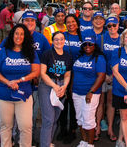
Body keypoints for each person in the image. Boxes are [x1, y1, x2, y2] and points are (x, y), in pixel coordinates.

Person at [0, 24, 40, 147]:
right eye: (16, 33)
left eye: (22, 34)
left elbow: (36, 72)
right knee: (6, 126)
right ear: (12, 35)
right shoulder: (4, 52)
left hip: (23, 95)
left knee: (26, 127)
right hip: (4, 95)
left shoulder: (30, 52)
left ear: (26, 37)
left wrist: (21, 80)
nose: (19, 36)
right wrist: (8, 82)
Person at [38, 31, 72, 147]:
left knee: (55, 118)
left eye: (61, 39)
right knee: (48, 119)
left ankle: (48, 141)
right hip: (48, 86)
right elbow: (42, 73)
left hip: (62, 86)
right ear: (52, 41)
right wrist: (55, 86)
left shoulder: (68, 55)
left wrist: (64, 87)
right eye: (56, 39)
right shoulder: (47, 54)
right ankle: (45, 144)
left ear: (64, 41)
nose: (59, 41)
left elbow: (68, 74)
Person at [72, 36, 106, 147]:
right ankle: (84, 141)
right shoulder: (79, 56)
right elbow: (74, 74)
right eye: (85, 44)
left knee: (88, 120)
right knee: (80, 119)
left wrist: (91, 92)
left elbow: (101, 77)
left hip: (91, 93)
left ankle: (90, 144)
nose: (87, 46)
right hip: (76, 92)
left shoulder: (99, 58)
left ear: (95, 45)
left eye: (90, 44)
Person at [56, 14, 82, 144]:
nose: (71, 24)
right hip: (62, 73)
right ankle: (62, 128)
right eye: (68, 22)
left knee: (73, 103)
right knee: (62, 103)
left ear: (77, 23)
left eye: (73, 22)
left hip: (77, 74)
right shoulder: (62, 35)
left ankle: (72, 129)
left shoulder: (82, 36)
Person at [100, 17, 121, 141]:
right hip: (102, 75)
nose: (112, 28)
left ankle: (110, 128)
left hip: (115, 76)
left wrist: (113, 75)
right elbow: (97, 56)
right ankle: (98, 127)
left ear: (118, 25)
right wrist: (104, 75)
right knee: (100, 102)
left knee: (111, 102)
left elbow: (122, 59)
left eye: (114, 25)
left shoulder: (122, 40)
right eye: (109, 26)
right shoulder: (102, 38)